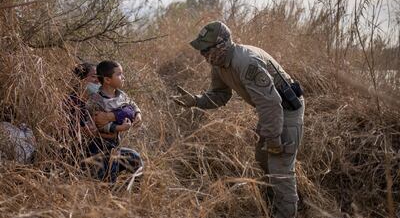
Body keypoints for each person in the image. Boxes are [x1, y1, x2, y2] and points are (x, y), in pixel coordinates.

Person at [171, 21, 305, 218]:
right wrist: (196, 101)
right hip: (271, 111)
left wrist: (274, 139)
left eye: (206, 50)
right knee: (263, 158)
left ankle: (286, 210)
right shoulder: (219, 64)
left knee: (280, 168)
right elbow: (220, 95)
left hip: (286, 109)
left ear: (222, 45)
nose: (203, 55)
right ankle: (279, 201)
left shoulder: (247, 62)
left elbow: (272, 103)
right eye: (202, 51)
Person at [86, 60, 143, 183]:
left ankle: (133, 192)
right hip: (99, 146)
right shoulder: (96, 100)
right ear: (107, 80)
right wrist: (118, 128)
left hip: (115, 145)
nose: (123, 77)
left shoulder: (121, 95)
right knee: (107, 179)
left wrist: (138, 113)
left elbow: (132, 105)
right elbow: (99, 125)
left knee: (136, 160)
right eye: (119, 74)